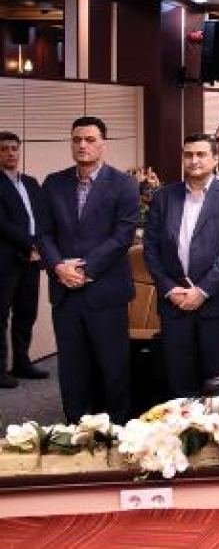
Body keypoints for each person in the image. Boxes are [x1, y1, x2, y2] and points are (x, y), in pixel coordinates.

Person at [37, 116, 139, 422]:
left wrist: (83, 269)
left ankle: (117, 431)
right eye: (77, 139)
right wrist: (58, 267)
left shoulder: (124, 184)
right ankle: (74, 429)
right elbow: (43, 233)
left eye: (90, 139)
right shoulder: (53, 183)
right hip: (65, 293)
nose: (82, 145)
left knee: (113, 368)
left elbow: (123, 236)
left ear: (103, 144)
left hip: (106, 292)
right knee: (72, 368)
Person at [142, 134, 219, 398]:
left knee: (216, 381)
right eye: (188, 154)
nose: (194, 160)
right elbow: (151, 248)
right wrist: (169, 289)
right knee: (178, 378)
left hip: (215, 302)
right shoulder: (164, 196)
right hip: (174, 302)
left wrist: (202, 291)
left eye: (201, 154)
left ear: (215, 159)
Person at [0, 132, 46, 384]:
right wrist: (33, 243)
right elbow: (3, 224)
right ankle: (0, 370)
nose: (10, 153)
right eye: (4, 149)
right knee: (1, 317)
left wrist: (41, 244)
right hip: (5, 260)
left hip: (31, 260)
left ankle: (22, 363)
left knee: (26, 313)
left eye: (14, 148)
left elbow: (40, 216)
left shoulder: (30, 182)